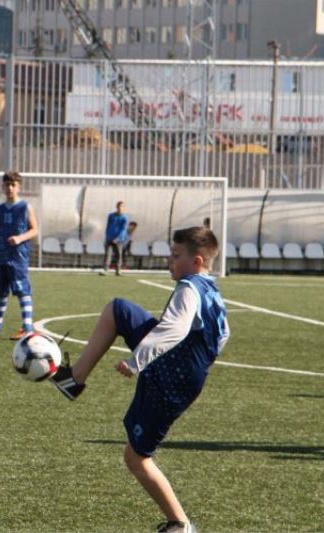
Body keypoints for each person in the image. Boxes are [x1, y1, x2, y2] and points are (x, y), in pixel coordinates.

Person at [51, 226, 230, 533]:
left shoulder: (189, 287)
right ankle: (74, 379)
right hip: (180, 368)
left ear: (197, 261)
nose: (169, 262)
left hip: (171, 376)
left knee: (136, 457)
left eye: (175, 256)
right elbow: (223, 334)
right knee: (118, 309)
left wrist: (137, 360)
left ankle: (181, 525)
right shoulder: (210, 288)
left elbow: (174, 328)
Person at [0, 170, 38, 340]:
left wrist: (20, 238)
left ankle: (27, 327)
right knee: (1, 292)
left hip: (19, 258)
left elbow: (34, 230)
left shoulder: (25, 207)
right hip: (2, 257)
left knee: (22, 291)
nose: (10, 188)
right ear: (3, 187)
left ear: (19, 187)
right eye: (7, 185)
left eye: (13, 185)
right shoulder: (0, 209)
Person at [101, 201, 129, 275]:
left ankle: (118, 270)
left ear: (124, 208)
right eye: (119, 206)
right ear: (116, 207)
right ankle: (106, 270)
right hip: (109, 238)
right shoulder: (111, 215)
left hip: (118, 240)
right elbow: (108, 226)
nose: (120, 208)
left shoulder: (125, 218)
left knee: (118, 255)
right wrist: (107, 236)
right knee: (107, 254)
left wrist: (118, 238)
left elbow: (124, 229)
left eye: (122, 207)